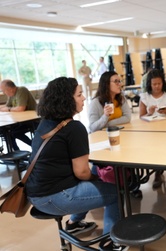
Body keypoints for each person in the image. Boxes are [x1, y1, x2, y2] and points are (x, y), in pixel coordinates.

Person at [25, 77, 126, 251]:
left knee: (91, 179)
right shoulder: (74, 128)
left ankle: (73, 223)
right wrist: (99, 179)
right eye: (79, 95)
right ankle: (111, 242)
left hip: (34, 194)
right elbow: (81, 173)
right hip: (55, 197)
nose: (84, 98)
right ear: (67, 99)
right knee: (115, 192)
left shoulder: (46, 122)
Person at [139, 69, 166, 188]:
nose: (157, 86)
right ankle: (158, 172)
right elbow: (141, 116)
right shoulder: (145, 97)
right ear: (149, 84)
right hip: (151, 131)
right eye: (154, 84)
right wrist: (149, 113)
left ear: (163, 83)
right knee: (155, 149)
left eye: (159, 84)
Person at [0, 79, 37, 151]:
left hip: (31, 120)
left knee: (14, 132)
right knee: (5, 131)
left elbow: (21, 108)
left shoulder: (21, 90)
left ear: (10, 89)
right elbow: (6, 106)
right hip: (20, 120)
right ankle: (16, 152)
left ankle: (35, 147)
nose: (4, 93)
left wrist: (9, 109)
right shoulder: (11, 95)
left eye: (4, 90)